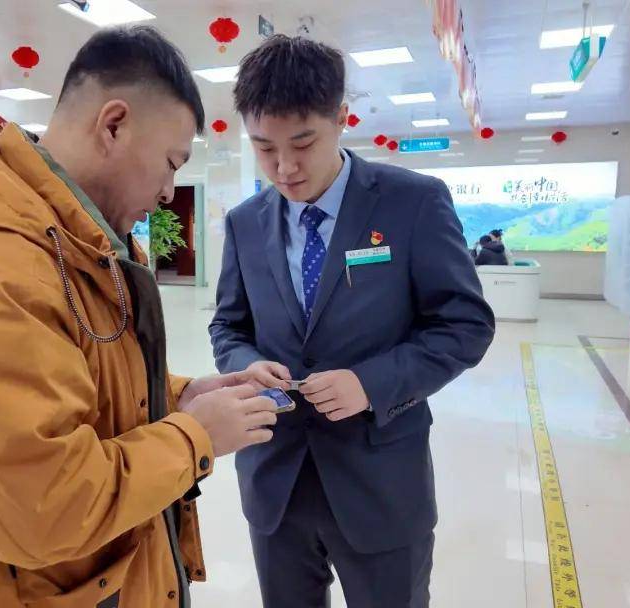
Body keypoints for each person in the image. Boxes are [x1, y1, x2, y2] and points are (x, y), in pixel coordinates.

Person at [0, 26, 278, 608]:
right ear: (114, 125)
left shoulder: (83, 244)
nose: (169, 192)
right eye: (169, 163)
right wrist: (197, 438)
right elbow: (44, 508)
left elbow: (83, 378)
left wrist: (179, 396)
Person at [209, 35, 496, 608]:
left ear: (341, 118)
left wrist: (369, 383)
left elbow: (464, 324)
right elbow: (229, 328)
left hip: (381, 479)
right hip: (276, 478)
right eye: (264, 148)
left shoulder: (411, 202)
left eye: (303, 143)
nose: (284, 167)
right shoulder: (245, 222)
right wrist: (247, 365)